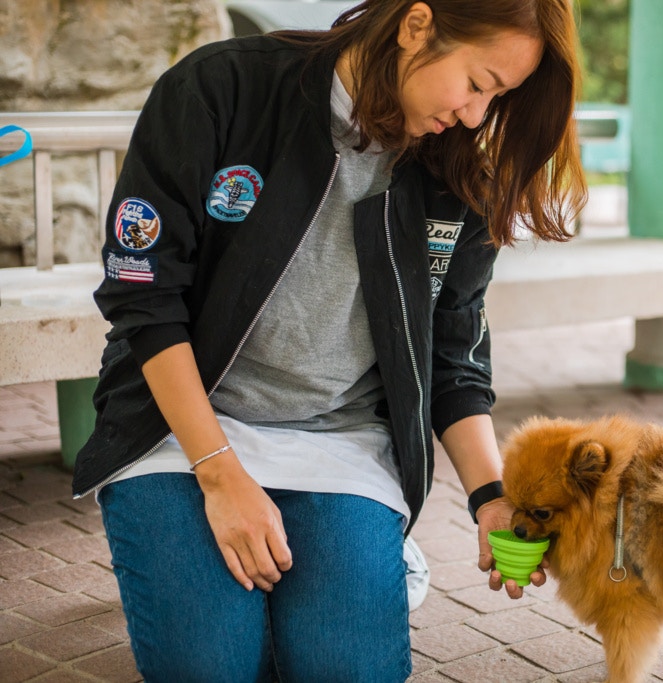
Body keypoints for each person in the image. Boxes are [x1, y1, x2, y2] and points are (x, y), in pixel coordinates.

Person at [70, 0, 586, 680]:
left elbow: (453, 358)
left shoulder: (458, 176)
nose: (475, 117)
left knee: (342, 668)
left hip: (341, 440)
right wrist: (221, 474)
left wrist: (491, 498)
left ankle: (368, 556)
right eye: (476, 84)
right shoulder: (220, 88)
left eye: (496, 99)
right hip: (182, 433)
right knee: (213, 666)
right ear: (417, 25)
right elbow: (144, 296)